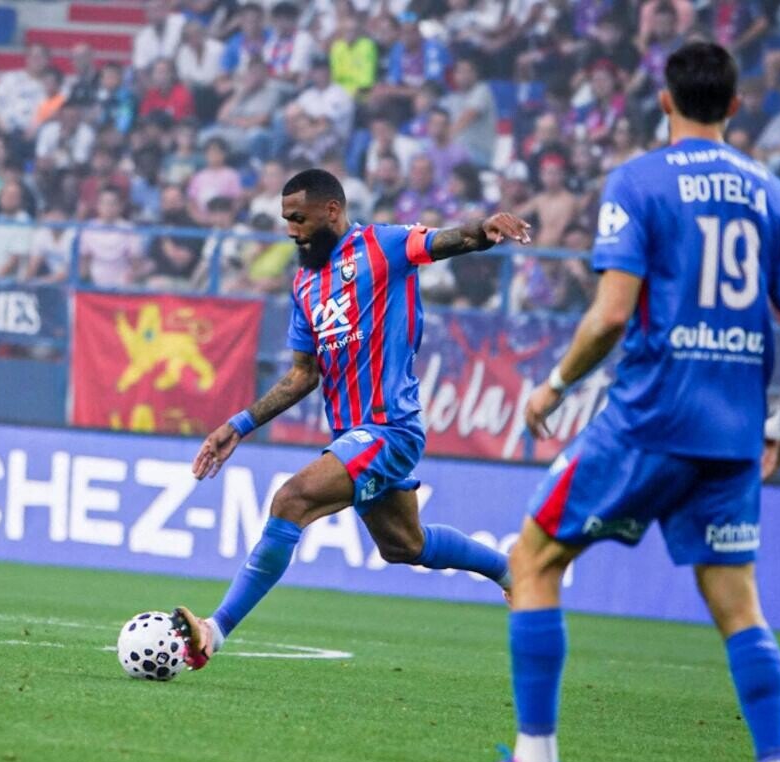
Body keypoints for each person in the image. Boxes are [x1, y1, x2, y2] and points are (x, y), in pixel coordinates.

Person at [444, 43, 780, 762]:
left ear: (665, 100)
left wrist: (555, 384)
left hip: (650, 418)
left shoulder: (641, 181)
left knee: (532, 558)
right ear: (736, 105)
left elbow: (612, 313)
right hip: (732, 432)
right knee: (739, 606)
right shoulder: (772, 194)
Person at [173, 168, 534, 669]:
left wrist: (482, 230)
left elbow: (446, 241)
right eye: (286, 220)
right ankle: (513, 572)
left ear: (332, 210)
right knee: (405, 545)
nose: (291, 230)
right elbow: (303, 375)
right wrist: (238, 425)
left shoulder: (383, 246)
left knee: (291, 499)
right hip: (354, 435)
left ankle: (215, 631)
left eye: (299, 219)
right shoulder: (304, 284)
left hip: (389, 428)